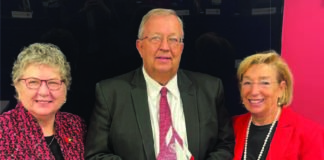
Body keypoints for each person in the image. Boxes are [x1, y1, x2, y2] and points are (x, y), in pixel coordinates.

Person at [85, 8, 234, 160]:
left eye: (173, 39)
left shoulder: (210, 89)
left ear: (181, 48)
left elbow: (225, 146)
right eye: (156, 38)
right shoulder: (110, 93)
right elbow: (96, 154)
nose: (164, 47)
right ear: (140, 47)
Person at [0, 43, 86, 159]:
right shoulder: (3, 130)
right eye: (33, 82)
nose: (44, 92)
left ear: (66, 87)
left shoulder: (76, 125)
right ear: (17, 86)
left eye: (53, 82)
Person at [232, 50, 324, 160]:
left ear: (281, 88)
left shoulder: (310, 134)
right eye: (247, 83)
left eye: (264, 83)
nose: (254, 91)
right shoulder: (231, 126)